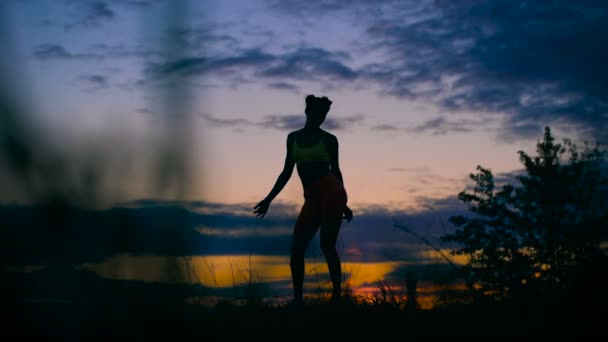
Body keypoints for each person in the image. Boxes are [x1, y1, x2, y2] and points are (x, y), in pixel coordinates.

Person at [253, 94, 353, 305]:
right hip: (312, 197)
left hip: (331, 192)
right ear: (307, 111)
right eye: (317, 113)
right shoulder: (293, 138)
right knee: (297, 247)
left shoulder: (330, 139)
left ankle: (337, 299)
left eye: (324, 114)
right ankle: (297, 300)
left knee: (327, 245)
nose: (321, 117)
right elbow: (286, 172)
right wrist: (268, 199)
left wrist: (343, 203)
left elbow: (336, 171)